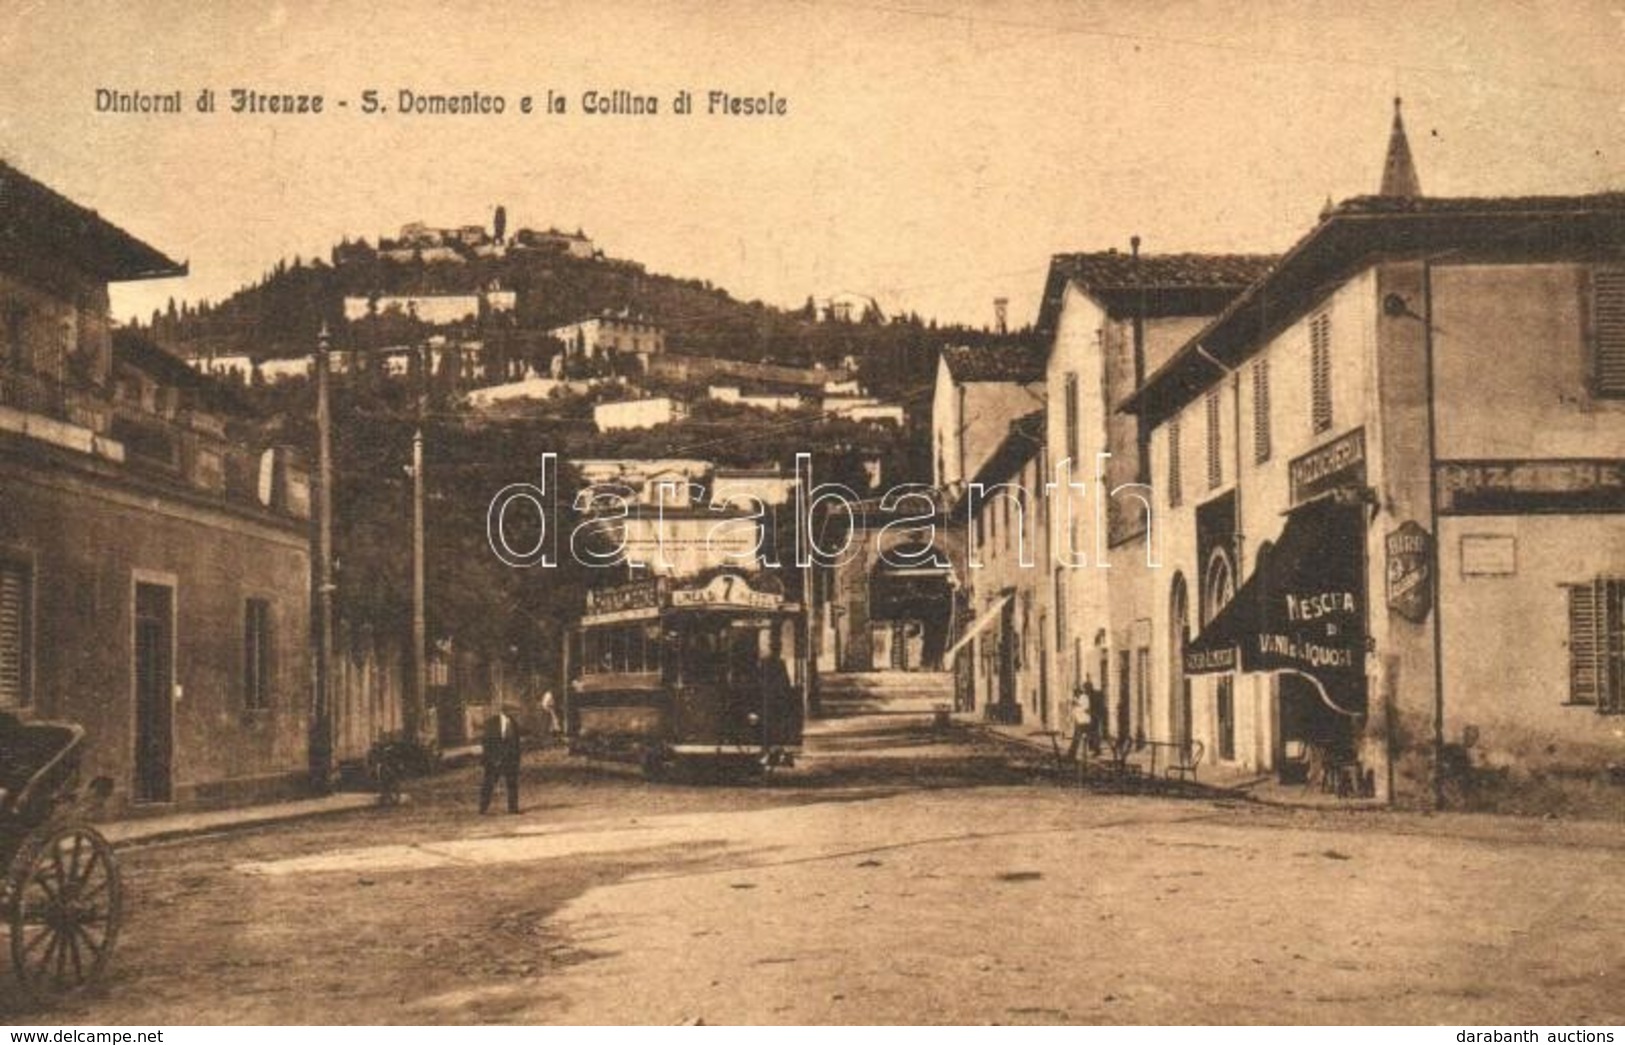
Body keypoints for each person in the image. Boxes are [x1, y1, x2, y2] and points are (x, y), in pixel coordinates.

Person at [479, 704, 523, 814]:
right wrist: (490, 758)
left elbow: (516, 744)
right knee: (489, 784)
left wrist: (517, 759)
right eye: (512, 711)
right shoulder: (491, 722)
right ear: (505, 711)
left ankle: (513, 808)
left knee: (512, 784)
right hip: (494, 759)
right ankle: (483, 808)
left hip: (510, 759)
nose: (514, 714)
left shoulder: (514, 724)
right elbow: (486, 742)